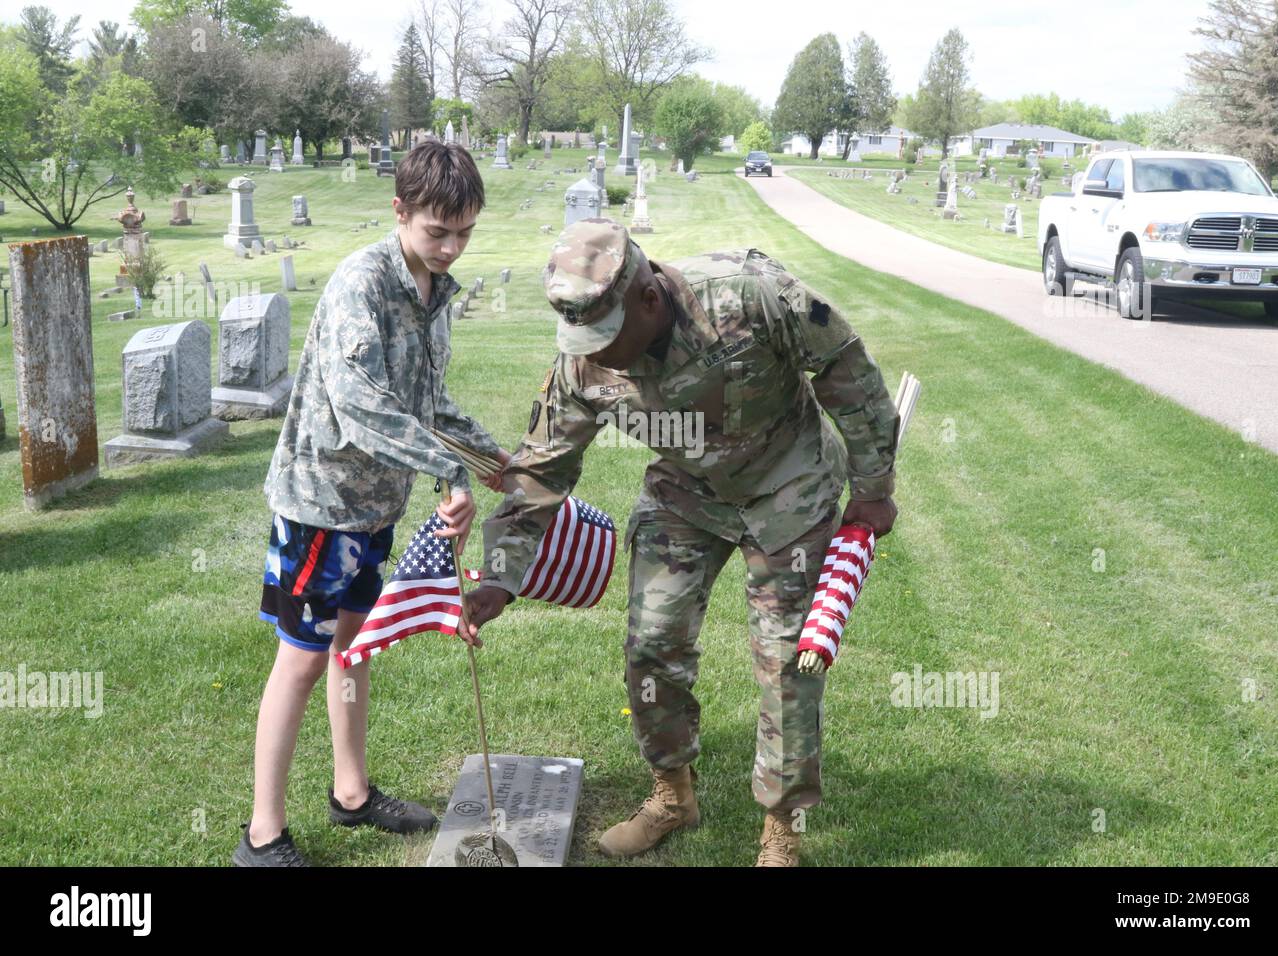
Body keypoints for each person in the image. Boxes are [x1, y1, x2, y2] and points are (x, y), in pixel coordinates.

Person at [460, 218, 899, 866]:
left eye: (608, 336)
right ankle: (672, 794)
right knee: (652, 644)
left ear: (648, 297)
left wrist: (874, 483)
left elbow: (845, 365)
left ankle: (782, 826)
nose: (599, 354)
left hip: (790, 489)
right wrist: (501, 573)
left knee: (788, 667)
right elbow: (540, 469)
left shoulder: (750, 292)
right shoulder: (584, 360)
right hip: (685, 496)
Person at [234, 140, 510, 866]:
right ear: (400, 212)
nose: (452, 247)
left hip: (375, 508)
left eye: (465, 233)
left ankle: (351, 794)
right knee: (299, 661)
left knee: (353, 650)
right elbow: (360, 407)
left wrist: (490, 459)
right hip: (320, 506)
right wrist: (450, 470)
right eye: (437, 231)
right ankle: (262, 834)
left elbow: (425, 402)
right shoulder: (363, 282)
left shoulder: (434, 293)